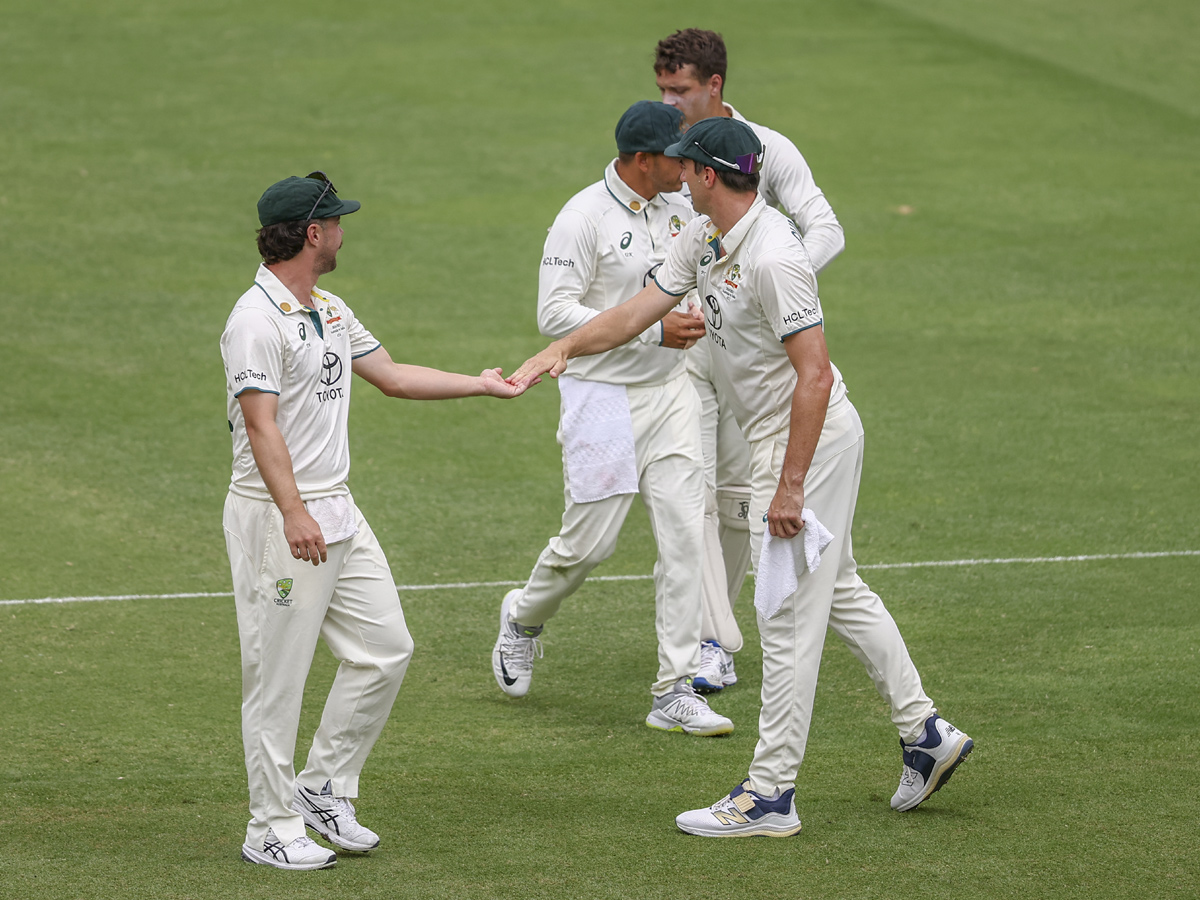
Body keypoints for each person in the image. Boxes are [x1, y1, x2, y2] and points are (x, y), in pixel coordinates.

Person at [508, 118, 972, 837]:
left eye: (688, 169)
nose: (678, 177)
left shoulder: (776, 257)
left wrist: (787, 488)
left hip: (805, 444)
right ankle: (927, 734)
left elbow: (813, 376)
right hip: (778, 442)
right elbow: (636, 313)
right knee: (838, 589)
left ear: (710, 177)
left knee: (783, 616)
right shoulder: (702, 238)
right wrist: (560, 350)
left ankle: (769, 795)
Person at [222, 172, 525, 869]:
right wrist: (293, 510)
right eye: (336, 223)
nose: (343, 232)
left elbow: (390, 374)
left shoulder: (327, 307)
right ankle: (268, 824)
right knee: (277, 678)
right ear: (312, 233)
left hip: (337, 509)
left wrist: (480, 385)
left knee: (386, 647)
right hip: (278, 517)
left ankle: (323, 785)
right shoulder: (254, 320)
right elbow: (261, 427)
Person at [491, 101, 733, 737]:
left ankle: (673, 689)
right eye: (675, 158)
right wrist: (654, 334)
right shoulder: (581, 219)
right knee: (588, 546)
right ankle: (521, 619)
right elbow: (554, 316)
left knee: (684, 535)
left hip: (671, 396)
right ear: (642, 160)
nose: (687, 168)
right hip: (600, 396)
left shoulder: (683, 205)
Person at [652, 28, 846, 692]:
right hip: (689, 352)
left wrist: (758, 291)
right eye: (662, 90)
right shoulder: (666, 149)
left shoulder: (768, 150)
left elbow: (826, 228)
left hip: (748, 350)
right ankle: (709, 639)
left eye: (679, 90)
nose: (669, 103)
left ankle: (715, 637)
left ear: (714, 86)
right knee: (691, 487)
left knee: (736, 497)